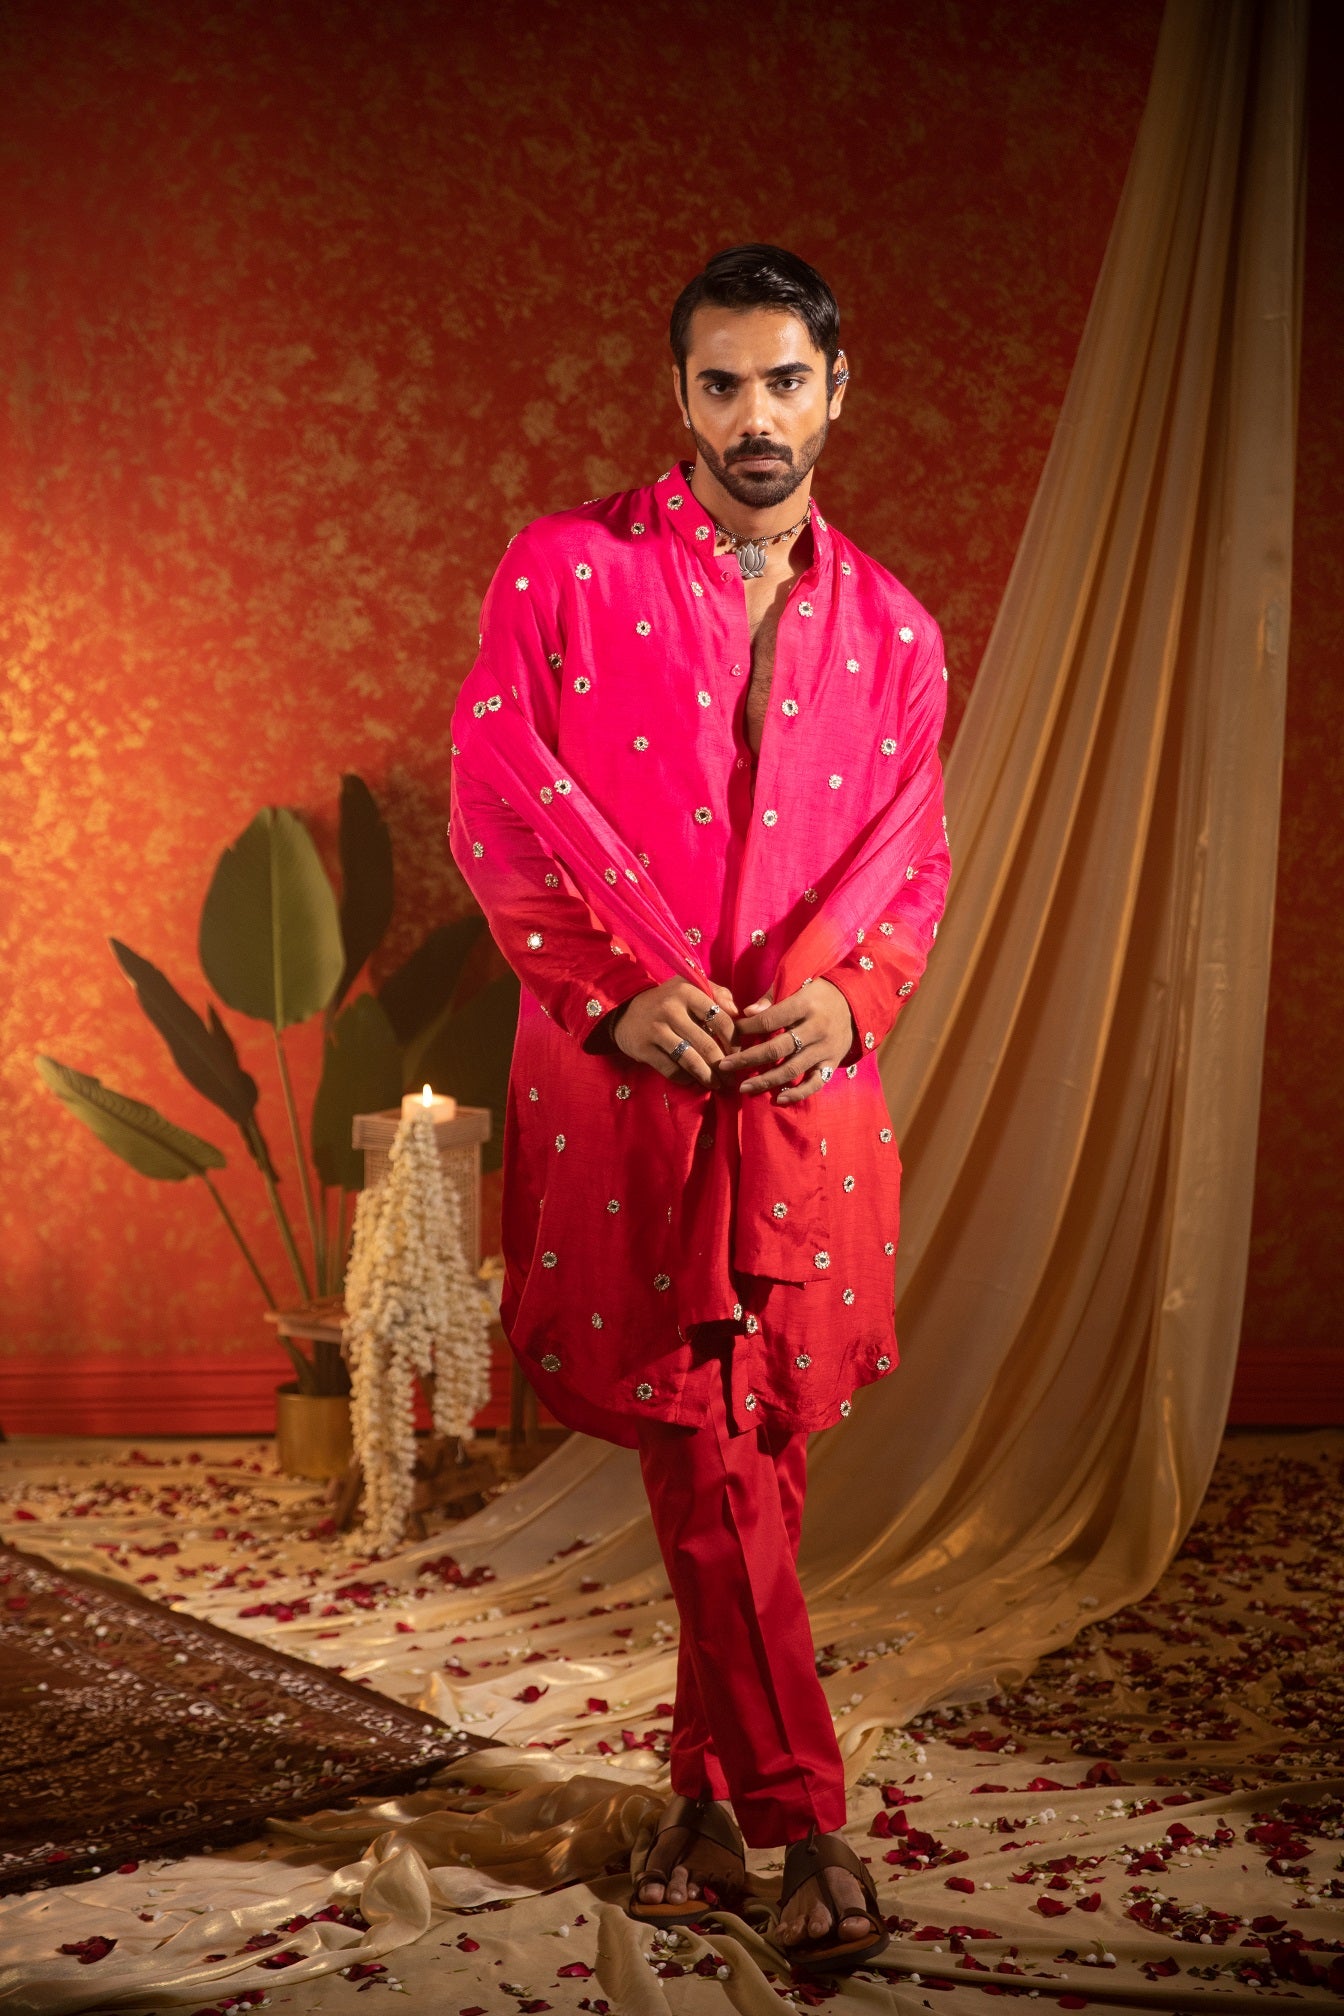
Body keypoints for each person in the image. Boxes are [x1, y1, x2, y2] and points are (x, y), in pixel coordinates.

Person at [448, 243, 950, 1975]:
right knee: (709, 1442)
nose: (755, 416)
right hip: (636, 1087)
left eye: (784, 381)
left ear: (837, 391)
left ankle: (701, 1801)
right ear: (679, 394)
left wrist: (849, 1003)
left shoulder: (896, 633)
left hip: (802, 1091)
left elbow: (914, 866)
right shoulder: (566, 573)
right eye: (721, 382)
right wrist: (610, 997)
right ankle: (810, 1818)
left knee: (761, 1453)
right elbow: (498, 804)